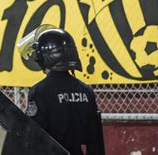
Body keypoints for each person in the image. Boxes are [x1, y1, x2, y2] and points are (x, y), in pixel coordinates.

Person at [25, 25, 105, 154]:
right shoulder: (86, 91)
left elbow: (35, 137)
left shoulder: (39, 91)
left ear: (45, 58)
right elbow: (95, 140)